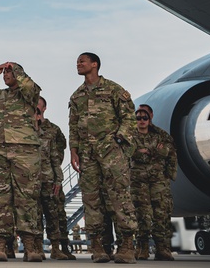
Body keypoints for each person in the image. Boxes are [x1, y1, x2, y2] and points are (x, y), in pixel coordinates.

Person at [68, 52, 137, 264]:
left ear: (95, 64)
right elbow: (73, 126)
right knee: (91, 199)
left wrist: (118, 141)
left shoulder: (114, 90)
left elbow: (129, 118)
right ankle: (98, 246)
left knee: (119, 195)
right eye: (78, 61)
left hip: (111, 152)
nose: (78, 64)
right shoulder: (77, 96)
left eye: (83, 61)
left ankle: (126, 245)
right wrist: (74, 151)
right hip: (87, 156)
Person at [0, 62, 43, 262]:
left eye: (9, 72)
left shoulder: (29, 95)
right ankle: (1, 245)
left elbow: (29, 87)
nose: (6, 75)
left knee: (26, 197)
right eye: (5, 73)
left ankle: (29, 246)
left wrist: (17, 69)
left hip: (24, 150)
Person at [130, 104, 177, 261]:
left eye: (145, 118)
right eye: (138, 118)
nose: (141, 120)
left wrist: (170, 174)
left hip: (158, 180)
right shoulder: (130, 135)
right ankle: (142, 247)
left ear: (150, 118)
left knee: (161, 213)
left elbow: (170, 153)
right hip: (138, 181)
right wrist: (150, 152)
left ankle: (162, 248)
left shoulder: (161, 135)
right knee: (141, 213)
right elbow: (127, 153)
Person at [35, 97, 71, 260]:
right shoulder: (24, 129)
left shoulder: (53, 130)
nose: (35, 109)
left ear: (44, 108)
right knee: (33, 215)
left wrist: (57, 178)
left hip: (49, 179)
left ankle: (59, 247)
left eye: (38, 107)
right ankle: (36, 248)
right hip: (29, 181)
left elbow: (59, 153)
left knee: (56, 214)